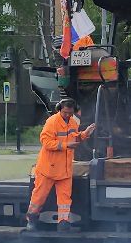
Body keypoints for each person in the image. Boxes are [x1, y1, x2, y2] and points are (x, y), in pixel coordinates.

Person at [28, 98, 95, 228]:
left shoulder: (73, 122)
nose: (68, 115)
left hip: (65, 169)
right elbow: (46, 142)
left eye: (70, 113)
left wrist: (85, 134)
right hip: (48, 168)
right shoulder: (52, 122)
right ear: (59, 109)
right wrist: (66, 145)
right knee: (39, 197)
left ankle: (63, 222)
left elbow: (75, 139)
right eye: (65, 112)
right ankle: (31, 219)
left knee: (65, 198)